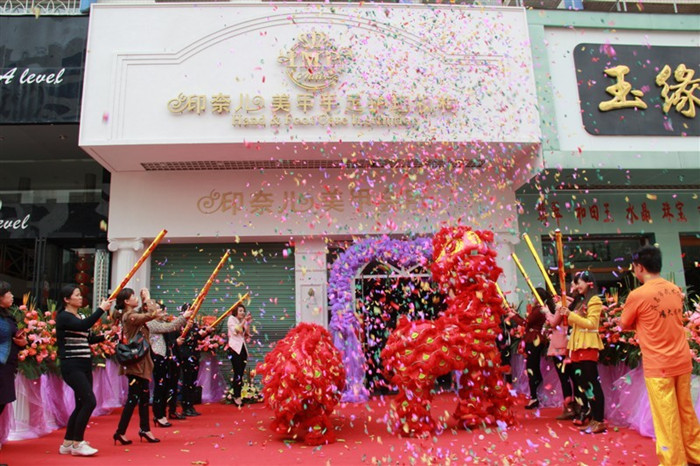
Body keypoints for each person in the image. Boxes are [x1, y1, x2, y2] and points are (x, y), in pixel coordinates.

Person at [621, 245, 700, 466]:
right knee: (686, 412)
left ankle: (674, 462)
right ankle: (695, 455)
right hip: (682, 360)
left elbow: (623, 323)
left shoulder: (638, 294)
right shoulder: (674, 289)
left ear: (639, 267)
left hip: (659, 365)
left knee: (666, 418)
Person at [55, 284, 114, 456]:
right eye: (77, 295)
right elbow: (82, 326)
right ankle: (78, 442)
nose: (80, 297)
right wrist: (101, 309)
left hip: (84, 363)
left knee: (81, 403)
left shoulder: (79, 316)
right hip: (71, 365)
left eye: (80, 294)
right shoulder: (63, 317)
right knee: (90, 402)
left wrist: (106, 336)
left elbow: (88, 337)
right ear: (67, 299)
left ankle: (67, 443)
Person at [113, 288, 165, 445]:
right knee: (133, 398)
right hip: (136, 364)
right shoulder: (130, 317)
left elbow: (148, 314)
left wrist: (144, 301)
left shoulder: (130, 315)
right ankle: (121, 431)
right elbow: (153, 314)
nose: (136, 298)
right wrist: (148, 298)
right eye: (133, 296)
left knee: (142, 397)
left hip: (140, 362)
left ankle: (144, 429)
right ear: (127, 302)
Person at [556, 271, 606, 434]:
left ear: (589, 283)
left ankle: (599, 420)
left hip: (588, 345)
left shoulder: (595, 300)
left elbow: (592, 323)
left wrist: (570, 315)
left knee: (592, 382)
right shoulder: (582, 301)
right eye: (576, 283)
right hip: (578, 345)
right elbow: (575, 322)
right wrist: (564, 313)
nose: (577, 286)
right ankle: (593, 417)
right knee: (583, 384)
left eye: (579, 283)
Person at [142, 289, 191, 428]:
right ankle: (158, 415)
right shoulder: (151, 323)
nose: (161, 312)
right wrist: (184, 317)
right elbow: (171, 326)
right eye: (158, 309)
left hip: (164, 357)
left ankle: (162, 414)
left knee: (164, 388)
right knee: (160, 387)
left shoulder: (158, 322)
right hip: (157, 357)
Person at [508, 287, 552, 409]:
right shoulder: (538, 309)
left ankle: (534, 397)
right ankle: (536, 395)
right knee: (533, 367)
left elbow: (526, 323)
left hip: (534, 340)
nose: (533, 298)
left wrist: (514, 316)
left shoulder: (539, 310)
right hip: (533, 339)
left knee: (532, 368)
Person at [543, 284, 582, 421]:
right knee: (573, 377)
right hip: (569, 344)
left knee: (565, 378)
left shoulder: (561, 306)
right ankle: (577, 406)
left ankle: (570, 407)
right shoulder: (573, 303)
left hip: (560, 346)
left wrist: (547, 312)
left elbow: (553, 323)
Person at [0, 282, 27, 452]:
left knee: (2, 403)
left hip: (7, 365)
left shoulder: (8, 316)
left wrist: (21, 342)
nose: (11, 296)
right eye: (8, 293)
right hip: (1, 365)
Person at [176, 310, 213, 417]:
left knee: (193, 382)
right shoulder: (181, 324)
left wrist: (207, 332)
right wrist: (197, 334)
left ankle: (190, 405)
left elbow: (198, 337)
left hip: (194, 355)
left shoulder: (194, 324)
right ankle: (185, 407)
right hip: (185, 356)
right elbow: (185, 339)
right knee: (186, 382)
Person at [226, 303, 253, 407]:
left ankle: (238, 395)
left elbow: (247, 334)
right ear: (236, 311)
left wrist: (248, 322)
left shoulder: (242, 321)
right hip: (234, 349)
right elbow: (236, 330)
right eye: (240, 311)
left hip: (242, 348)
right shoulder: (231, 319)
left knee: (240, 373)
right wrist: (244, 321)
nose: (242, 313)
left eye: (243, 311)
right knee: (237, 372)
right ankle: (236, 396)